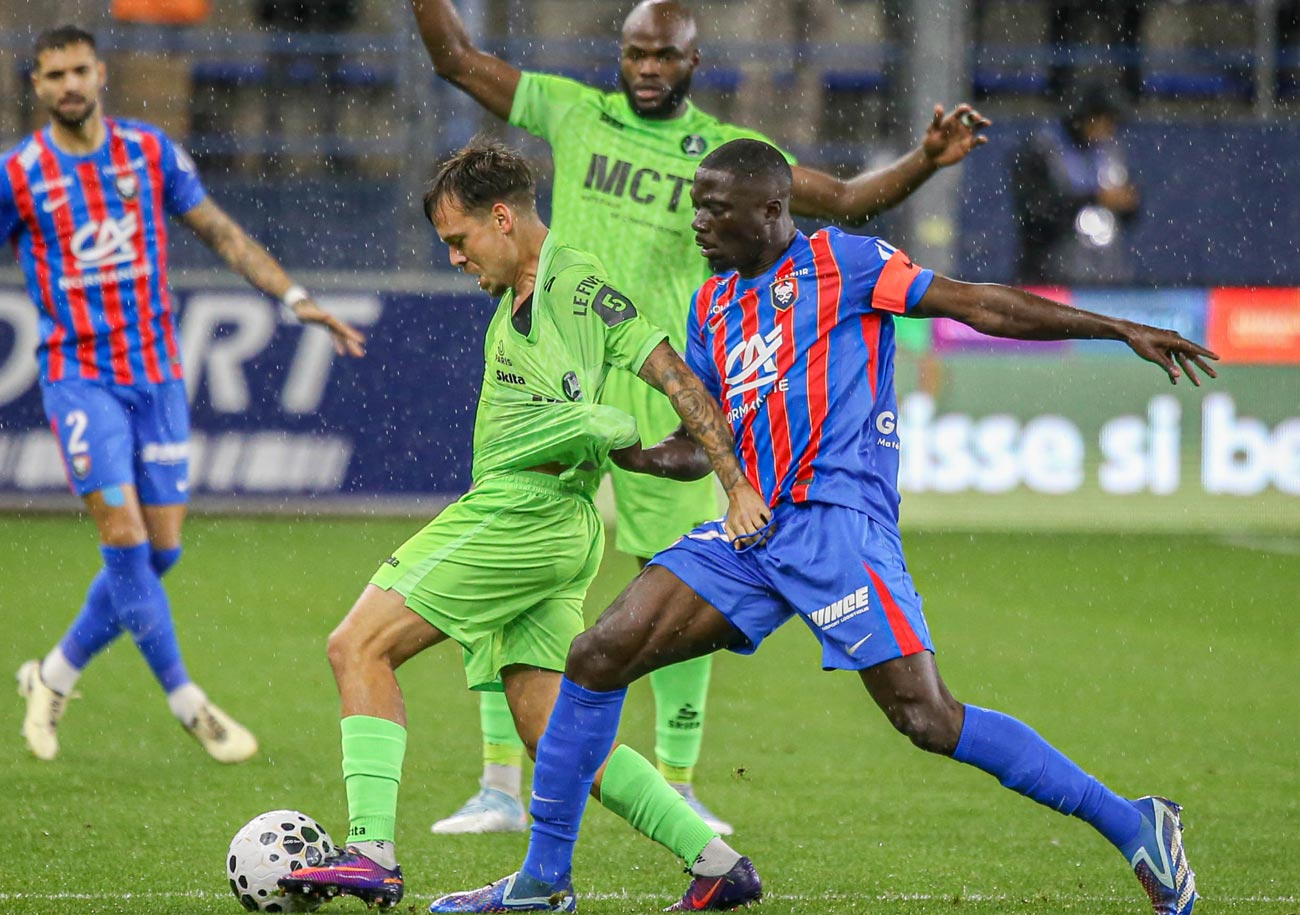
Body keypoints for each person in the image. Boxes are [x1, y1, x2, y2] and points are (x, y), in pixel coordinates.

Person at [428, 139, 1213, 915]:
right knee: (597, 656)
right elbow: (698, 447)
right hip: (752, 532)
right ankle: (543, 881)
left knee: (927, 718)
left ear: (771, 209)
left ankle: (1134, 820)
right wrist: (615, 445)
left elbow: (978, 302)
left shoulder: (847, 263)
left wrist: (1113, 327)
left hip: (839, 525)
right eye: (695, 204)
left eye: (713, 208)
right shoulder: (712, 302)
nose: (696, 221)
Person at [409, 0, 992, 836]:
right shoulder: (574, 112)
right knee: (517, 545)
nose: (648, 67)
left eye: (665, 56)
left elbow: (849, 199)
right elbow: (458, 61)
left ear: (693, 61)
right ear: (620, 54)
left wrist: (925, 161)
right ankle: (500, 782)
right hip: (564, 371)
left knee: (676, 569)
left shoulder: (721, 160)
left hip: (677, 382)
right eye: (636, 53)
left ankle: (677, 781)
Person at [276, 140, 771, 910]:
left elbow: (674, 375)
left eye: (460, 239)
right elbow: (628, 397)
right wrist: (634, 449)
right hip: (558, 523)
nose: (453, 258)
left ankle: (372, 852)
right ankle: (711, 859)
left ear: (502, 218)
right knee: (552, 727)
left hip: (522, 514)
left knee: (357, 645)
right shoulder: (524, 299)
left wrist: (733, 482)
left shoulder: (573, 284)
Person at [5, 26, 366, 764]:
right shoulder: (18, 175)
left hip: (157, 375)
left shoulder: (148, 153)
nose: (69, 84)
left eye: (79, 70)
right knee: (126, 539)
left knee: (159, 553)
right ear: (36, 87)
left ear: (100, 74)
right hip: (79, 377)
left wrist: (294, 296)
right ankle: (188, 701)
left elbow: (223, 235)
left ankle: (54, 674)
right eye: (53, 75)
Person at [1011, 79, 1141, 285]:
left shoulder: (1111, 152)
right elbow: (1039, 212)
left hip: (1105, 275)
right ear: (1084, 117)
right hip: (1051, 274)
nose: (1108, 130)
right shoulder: (1044, 150)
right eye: (1102, 120)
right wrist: (1095, 198)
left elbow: (1131, 206)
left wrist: (1128, 202)